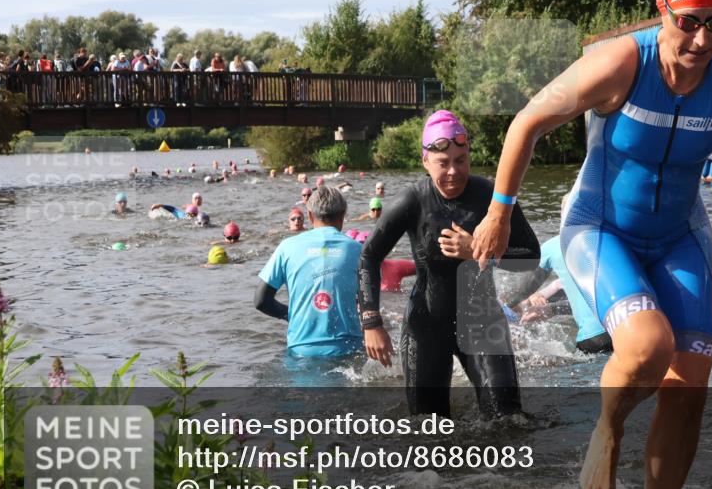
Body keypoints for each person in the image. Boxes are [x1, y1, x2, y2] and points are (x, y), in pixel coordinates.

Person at [469, 0, 712, 489]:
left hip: (680, 238)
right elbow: (528, 121)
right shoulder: (622, 63)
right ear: (661, 7)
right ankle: (607, 431)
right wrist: (499, 211)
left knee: (689, 389)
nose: (698, 40)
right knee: (648, 346)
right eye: (686, 21)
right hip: (600, 228)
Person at [359, 110, 540, 418]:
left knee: (508, 420)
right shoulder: (412, 200)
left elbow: (531, 256)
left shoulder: (492, 197)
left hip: (482, 322)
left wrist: (478, 250)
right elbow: (369, 256)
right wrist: (371, 323)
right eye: (443, 163)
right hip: (427, 324)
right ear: (425, 161)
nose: (454, 171)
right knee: (427, 429)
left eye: (461, 160)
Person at [255, 185, 364, 357]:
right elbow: (370, 301)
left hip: (302, 349)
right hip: (349, 348)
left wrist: (291, 315)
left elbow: (261, 301)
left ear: (310, 216)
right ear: (343, 216)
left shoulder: (287, 247)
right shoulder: (358, 250)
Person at [503, 235, 610, 354]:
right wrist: (550, 308)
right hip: (626, 329)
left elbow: (521, 292)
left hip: (593, 337)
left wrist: (506, 308)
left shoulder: (555, 245)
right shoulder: (615, 241)